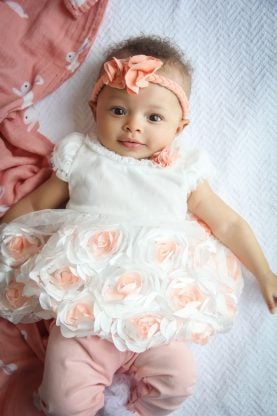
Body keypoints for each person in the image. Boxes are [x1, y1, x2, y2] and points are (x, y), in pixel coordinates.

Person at [0, 35, 276, 416]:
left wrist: (264, 272)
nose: (133, 126)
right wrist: (4, 229)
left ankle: (134, 410)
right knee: (63, 400)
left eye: (154, 117)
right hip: (84, 314)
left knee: (179, 381)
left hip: (155, 316)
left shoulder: (184, 171)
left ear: (180, 127)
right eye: (118, 110)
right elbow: (35, 203)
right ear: (94, 107)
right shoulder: (81, 156)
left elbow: (227, 223)